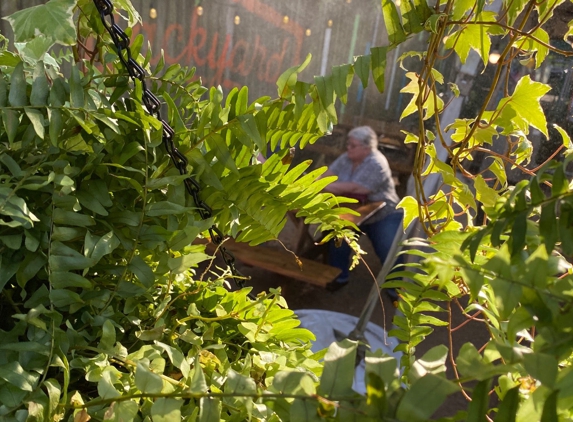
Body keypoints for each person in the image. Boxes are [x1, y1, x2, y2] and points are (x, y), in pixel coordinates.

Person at [322, 126, 403, 293]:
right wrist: (317, 181)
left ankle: (394, 287)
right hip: (353, 211)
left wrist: (324, 185)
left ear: (367, 148)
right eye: (348, 144)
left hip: (383, 213)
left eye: (353, 145)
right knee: (338, 237)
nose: (348, 148)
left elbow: (357, 188)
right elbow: (325, 175)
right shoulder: (346, 158)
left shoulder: (376, 162)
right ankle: (339, 276)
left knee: (388, 247)